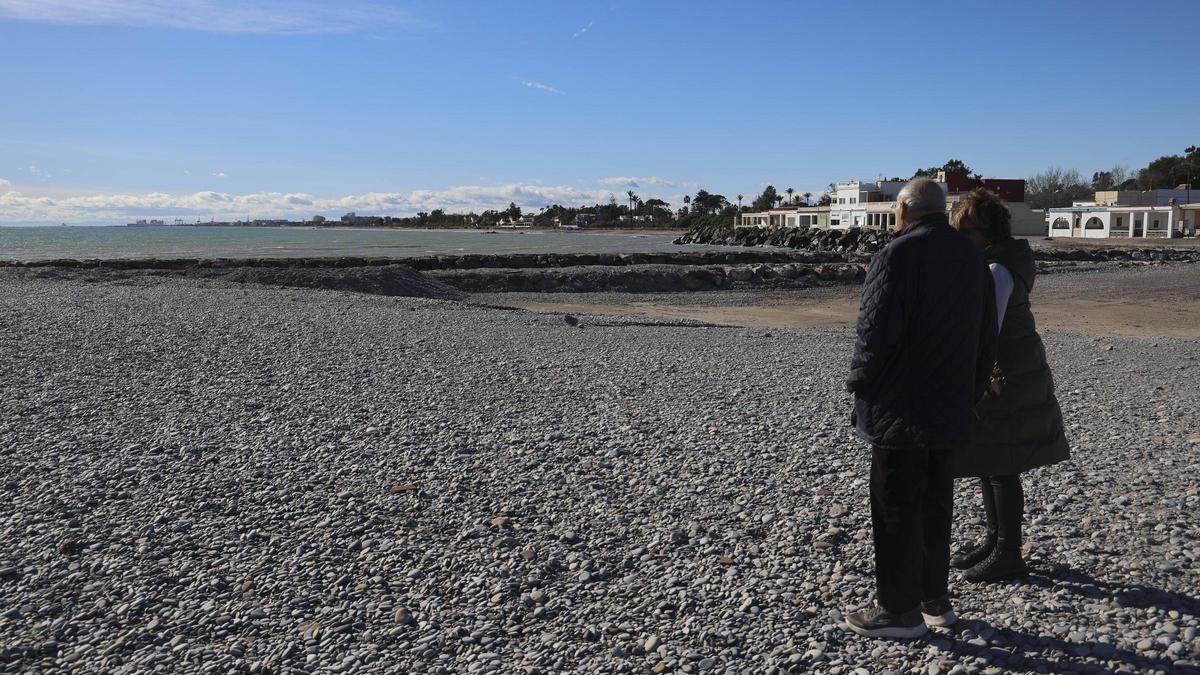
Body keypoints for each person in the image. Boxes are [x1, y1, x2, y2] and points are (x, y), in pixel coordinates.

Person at [844, 178, 997, 639]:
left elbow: (875, 332)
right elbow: (986, 335)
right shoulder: (972, 257)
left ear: (904, 210)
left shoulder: (897, 254)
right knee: (935, 502)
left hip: (901, 404)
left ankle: (898, 610)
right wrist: (970, 390)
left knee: (895, 507)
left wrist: (859, 382)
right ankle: (935, 600)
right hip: (950, 401)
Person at [949, 189, 1071, 582]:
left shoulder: (997, 269)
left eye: (966, 232)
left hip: (1007, 377)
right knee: (990, 461)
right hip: (1008, 371)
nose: (960, 240)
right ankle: (993, 540)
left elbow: (989, 329)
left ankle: (1008, 551)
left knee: (1001, 465)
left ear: (987, 231)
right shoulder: (996, 263)